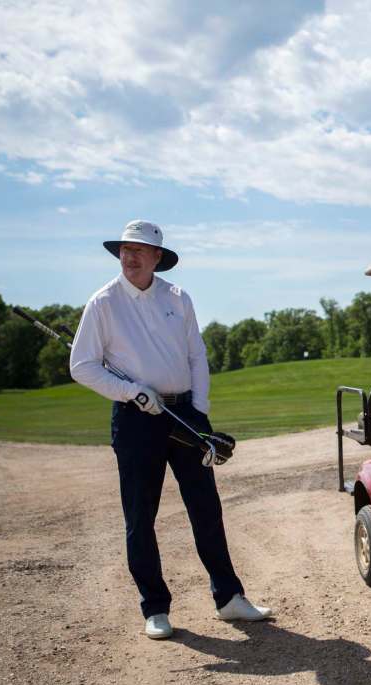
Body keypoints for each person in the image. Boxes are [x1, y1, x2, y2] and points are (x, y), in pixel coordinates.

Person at [70, 220, 272, 639]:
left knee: (206, 507)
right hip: (135, 421)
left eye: (140, 250)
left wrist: (199, 412)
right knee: (140, 516)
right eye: (125, 249)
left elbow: (196, 355)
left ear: (157, 257)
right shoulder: (103, 302)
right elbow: (82, 366)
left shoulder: (178, 298)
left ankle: (229, 598)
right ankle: (155, 608)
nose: (130, 256)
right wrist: (130, 392)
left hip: (185, 415)